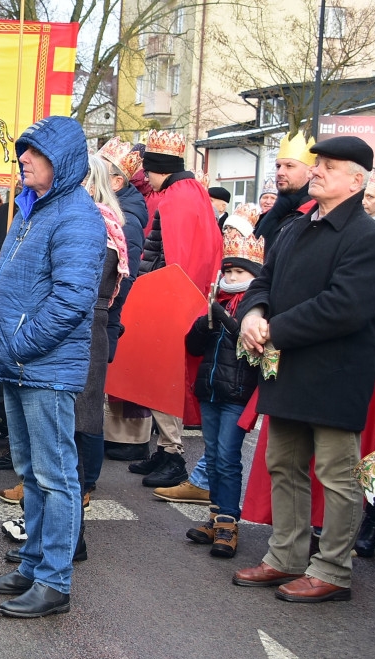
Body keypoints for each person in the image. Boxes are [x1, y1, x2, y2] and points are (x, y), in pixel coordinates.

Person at [234, 136, 375, 602]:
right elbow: (264, 280)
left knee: (337, 476)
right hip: (288, 368)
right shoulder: (295, 228)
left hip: (335, 375)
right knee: (284, 464)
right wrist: (253, 314)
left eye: (329, 165)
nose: (316, 170)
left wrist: (273, 328)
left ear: (356, 180)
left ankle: (334, 570)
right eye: (317, 162)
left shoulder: (369, 238)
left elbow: (343, 308)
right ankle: (285, 556)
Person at [0, 116, 106, 618]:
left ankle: (54, 581)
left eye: (33, 152)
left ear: (63, 161)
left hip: (43, 367)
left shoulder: (76, 215)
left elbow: (72, 299)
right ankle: (32, 566)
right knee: (31, 472)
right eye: (22, 150)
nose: (22, 159)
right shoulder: (35, 209)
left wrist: (19, 345)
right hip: (20, 363)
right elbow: (8, 282)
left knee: (55, 476)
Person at [127, 130, 222, 487]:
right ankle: (166, 450)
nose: (146, 177)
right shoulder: (189, 194)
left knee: (166, 377)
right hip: (169, 296)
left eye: (148, 170)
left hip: (168, 300)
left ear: (160, 169)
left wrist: (156, 295)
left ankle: (173, 454)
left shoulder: (176, 200)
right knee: (160, 375)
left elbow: (174, 261)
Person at [183, 229, 263, 558]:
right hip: (211, 389)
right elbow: (192, 347)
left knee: (229, 459)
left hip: (238, 394)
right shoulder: (218, 301)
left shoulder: (260, 308)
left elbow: (255, 349)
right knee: (214, 456)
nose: (231, 277)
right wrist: (204, 324)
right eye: (228, 271)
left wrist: (228, 322)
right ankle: (216, 517)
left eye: (239, 272)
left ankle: (229, 522)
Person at [76, 155, 129, 503]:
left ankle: (79, 491)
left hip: (87, 325)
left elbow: (88, 285)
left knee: (81, 417)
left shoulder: (102, 226)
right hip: (83, 323)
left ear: (94, 185)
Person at [94, 138, 151, 463]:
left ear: (116, 181)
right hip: (100, 320)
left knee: (87, 408)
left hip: (101, 320)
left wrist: (108, 326)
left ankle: (85, 483)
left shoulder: (125, 221)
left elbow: (119, 281)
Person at [253, 132, 315, 245]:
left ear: (310, 171)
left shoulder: (314, 215)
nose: (280, 172)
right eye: (278, 166)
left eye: (289, 166)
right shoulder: (270, 214)